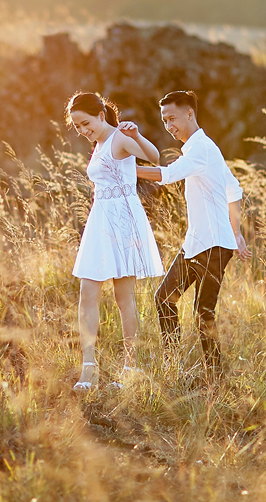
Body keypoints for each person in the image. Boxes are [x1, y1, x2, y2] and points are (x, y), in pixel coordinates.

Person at [127, 90, 251, 381]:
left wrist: (127, 169)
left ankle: (216, 378)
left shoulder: (202, 149)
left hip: (215, 246)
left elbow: (169, 174)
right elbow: (234, 190)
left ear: (189, 114)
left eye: (172, 118)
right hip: (196, 243)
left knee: (202, 313)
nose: (169, 126)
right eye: (164, 121)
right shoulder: (203, 149)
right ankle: (173, 366)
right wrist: (239, 233)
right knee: (164, 299)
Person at [66, 92, 164, 391]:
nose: (83, 131)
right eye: (77, 127)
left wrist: (136, 134)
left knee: (124, 298)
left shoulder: (119, 137)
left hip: (122, 220)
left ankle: (130, 368)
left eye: (85, 123)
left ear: (99, 114)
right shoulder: (98, 144)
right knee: (87, 293)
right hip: (101, 218)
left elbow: (154, 157)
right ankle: (89, 369)